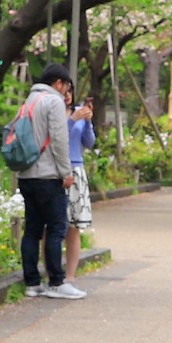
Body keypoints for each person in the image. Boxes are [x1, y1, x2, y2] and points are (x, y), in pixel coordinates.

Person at [16, 64, 84, 300]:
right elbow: (58, 139)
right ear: (58, 83)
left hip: (26, 175)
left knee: (32, 230)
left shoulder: (30, 101)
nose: (66, 93)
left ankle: (32, 283)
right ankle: (56, 281)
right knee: (57, 227)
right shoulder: (53, 101)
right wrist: (66, 172)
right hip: (47, 175)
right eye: (66, 87)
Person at [64, 95, 96, 279]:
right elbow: (57, 138)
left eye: (70, 89)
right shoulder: (54, 112)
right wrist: (71, 120)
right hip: (56, 170)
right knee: (51, 228)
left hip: (76, 169)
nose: (67, 94)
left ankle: (70, 276)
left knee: (74, 227)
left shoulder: (78, 111)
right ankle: (51, 274)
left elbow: (89, 142)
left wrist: (88, 122)